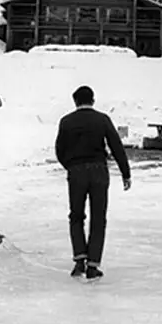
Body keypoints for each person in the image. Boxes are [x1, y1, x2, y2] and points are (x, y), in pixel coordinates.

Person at [55, 85, 132, 280]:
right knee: (98, 218)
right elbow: (116, 146)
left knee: (76, 216)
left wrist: (70, 166)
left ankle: (79, 259)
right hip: (98, 170)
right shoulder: (102, 119)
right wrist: (125, 173)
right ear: (93, 100)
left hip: (76, 171)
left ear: (75, 101)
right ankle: (93, 264)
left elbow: (59, 150)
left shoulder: (66, 121)